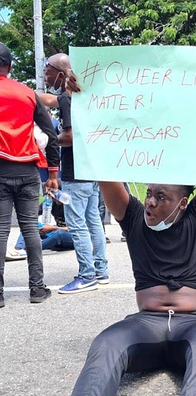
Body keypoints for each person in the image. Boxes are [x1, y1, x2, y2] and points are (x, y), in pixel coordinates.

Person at [64, 56, 196, 396]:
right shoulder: (133, 218)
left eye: (162, 197)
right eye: (149, 192)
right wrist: (85, 105)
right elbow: (103, 166)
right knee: (105, 345)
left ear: (183, 202)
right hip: (144, 325)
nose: (151, 202)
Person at [43, 53, 109, 293]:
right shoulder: (81, 96)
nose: (44, 74)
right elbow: (45, 99)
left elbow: (69, 137)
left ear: (60, 72)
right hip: (90, 172)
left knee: (78, 224)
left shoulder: (66, 98)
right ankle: (101, 270)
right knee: (93, 222)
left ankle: (87, 274)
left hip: (75, 173)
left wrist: (46, 141)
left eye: (47, 70)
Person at [0, 42, 60, 307]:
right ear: (11, 66)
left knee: (1, 232)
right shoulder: (27, 93)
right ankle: (37, 289)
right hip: (27, 171)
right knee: (30, 230)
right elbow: (50, 135)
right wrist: (54, 173)